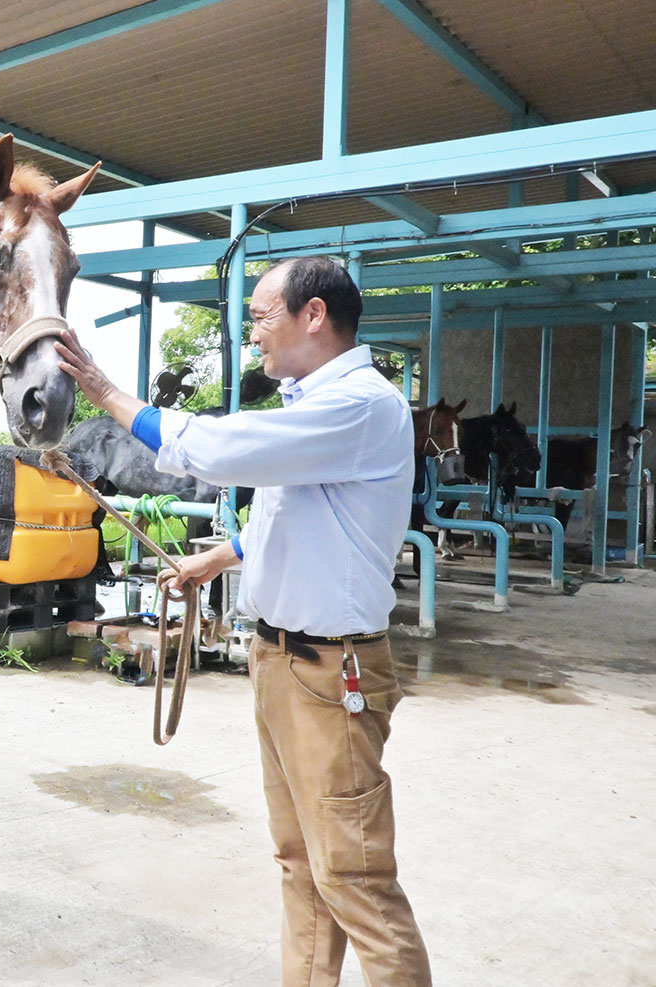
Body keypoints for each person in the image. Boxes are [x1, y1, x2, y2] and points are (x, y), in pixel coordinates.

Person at [55, 256, 432, 987]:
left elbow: (221, 451)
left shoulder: (359, 403)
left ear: (313, 315)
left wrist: (103, 391)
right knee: (302, 866)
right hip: (284, 663)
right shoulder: (314, 406)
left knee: (353, 878)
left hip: (332, 675)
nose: (251, 333)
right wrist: (219, 557)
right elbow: (298, 512)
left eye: (261, 315)